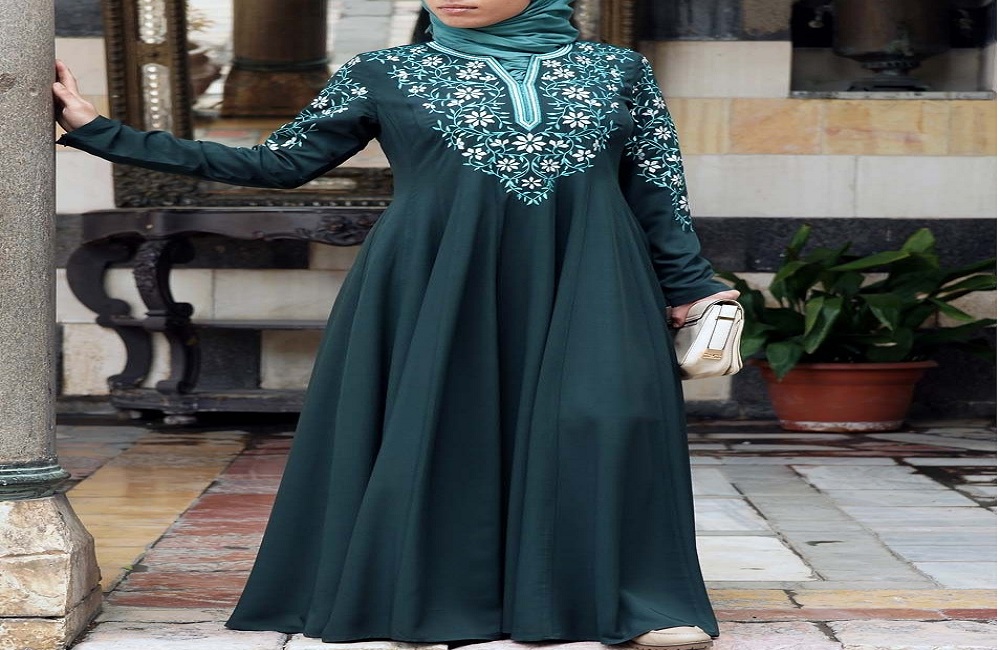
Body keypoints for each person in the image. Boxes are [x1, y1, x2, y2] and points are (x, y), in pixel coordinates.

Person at [54, 1, 738, 648]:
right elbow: (279, 163)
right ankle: (422, 600)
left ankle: (637, 601)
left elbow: (657, 188)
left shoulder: (617, 70)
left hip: (592, 275)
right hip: (436, 281)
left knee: (605, 421)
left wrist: (691, 286)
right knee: (445, 423)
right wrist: (97, 130)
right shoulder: (383, 72)